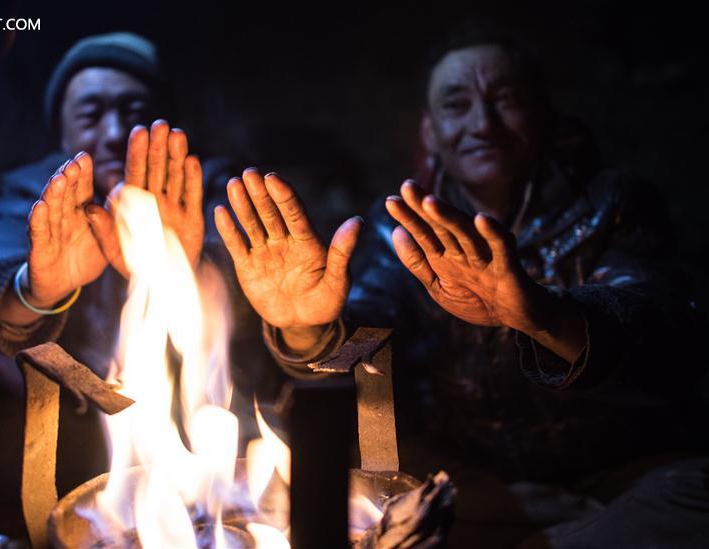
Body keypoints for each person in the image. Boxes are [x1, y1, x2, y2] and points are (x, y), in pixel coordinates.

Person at [214, 26, 709, 548]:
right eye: (457, 104)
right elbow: (369, 345)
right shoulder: (402, 231)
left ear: (543, 116)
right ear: (429, 132)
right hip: (474, 485)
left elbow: (668, 335)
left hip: (624, 479)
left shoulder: (614, 203)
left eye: (507, 101)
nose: (484, 124)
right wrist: (308, 327)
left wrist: (542, 315)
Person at [0, 32, 280, 540]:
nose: (115, 131)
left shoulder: (204, 183)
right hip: (86, 430)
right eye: (91, 114)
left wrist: (184, 262)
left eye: (134, 110)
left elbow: (260, 276)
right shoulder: (35, 193)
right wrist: (34, 287)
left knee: (290, 429)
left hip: (205, 420)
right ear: (61, 131)